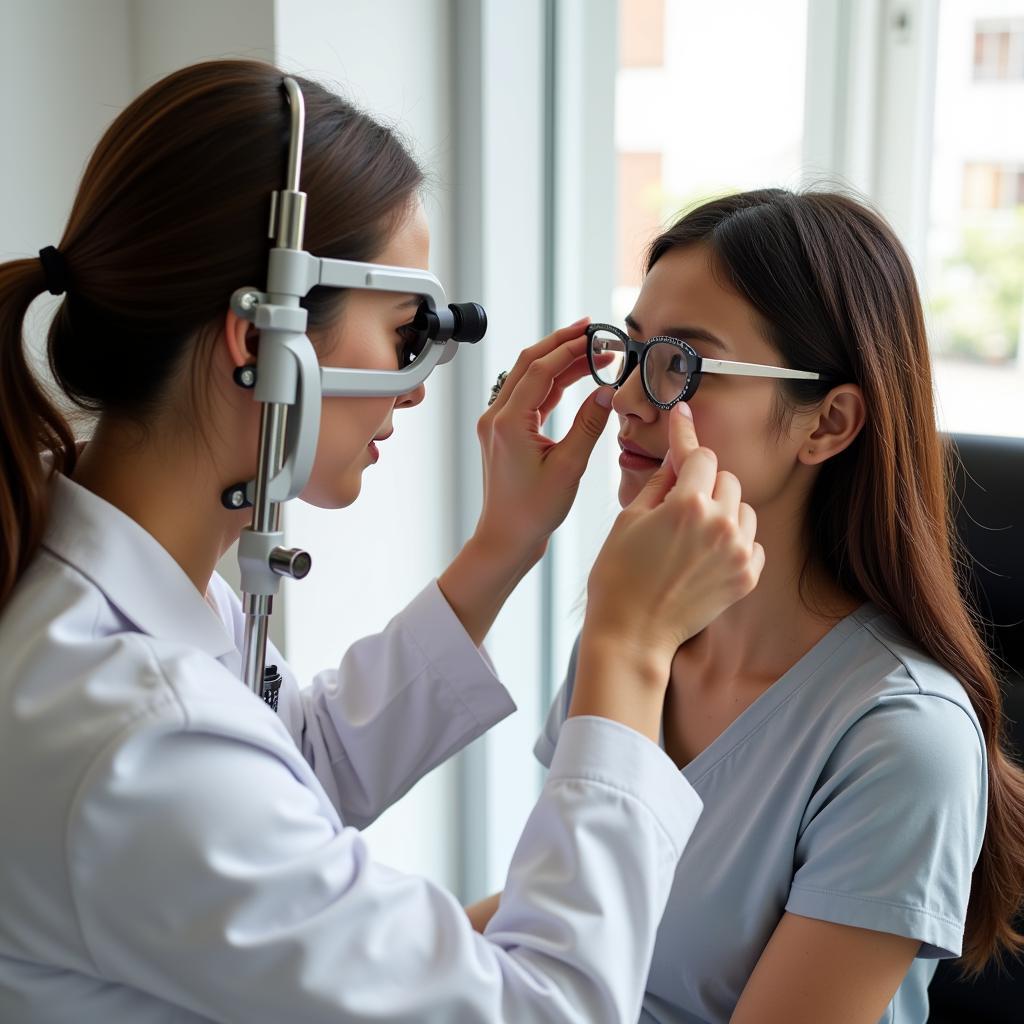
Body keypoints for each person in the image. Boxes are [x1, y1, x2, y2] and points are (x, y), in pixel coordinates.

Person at [0, 60, 769, 1023]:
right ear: (260, 335)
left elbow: (282, 774)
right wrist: (629, 648)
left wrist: (504, 544)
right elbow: (546, 1011)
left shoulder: (102, 573)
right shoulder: (133, 734)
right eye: (406, 335)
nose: (415, 386)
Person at [469, 189, 1024, 1023]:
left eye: (682, 366)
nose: (627, 399)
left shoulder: (904, 741)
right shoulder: (634, 633)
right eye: (632, 350)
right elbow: (548, 905)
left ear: (827, 424)